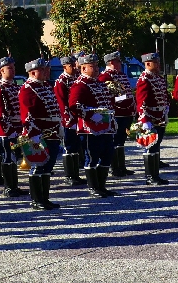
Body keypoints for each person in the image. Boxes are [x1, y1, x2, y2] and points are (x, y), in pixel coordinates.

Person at [69, 53, 117, 197]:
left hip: (105, 126)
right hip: (90, 128)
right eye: (92, 66)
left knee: (107, 155)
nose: (96, 69)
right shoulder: (80, 85)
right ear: (83, 68)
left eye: (96, 66)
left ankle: (101, 186)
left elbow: (108, 102)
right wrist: (91, 115)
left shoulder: (99, 83)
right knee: (92, 157)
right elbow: (74, 105)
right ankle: (93, 187)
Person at [19, 58, 63, 210]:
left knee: (48, 166)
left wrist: (59, 125)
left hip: (52, 132)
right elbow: (27, 115)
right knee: (38, 166)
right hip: (39, 134)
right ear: (32, 72)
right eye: (42, 70)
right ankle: (37, 200)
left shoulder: (45, 86)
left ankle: (45, 198)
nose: (46, 72)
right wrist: (34, 134)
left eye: (47, 69)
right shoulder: (27, 89)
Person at [98, 51, 136, 177]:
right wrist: (123, 98)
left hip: (126, 113)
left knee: (121, 141)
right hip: (117, 113)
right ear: (111, 62)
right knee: (116, 141)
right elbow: (108, 98)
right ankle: (115, 168)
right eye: (118, 61)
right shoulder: (105, 77)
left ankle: (122, 166)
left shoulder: (121, 75)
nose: (120, 63)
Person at [134, 52, 170, 186]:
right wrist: (144, 120)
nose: (158, 65)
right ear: (148, 64)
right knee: (150, 147)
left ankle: (156, 175)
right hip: (149, 118)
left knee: (156, 146)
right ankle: (150, 176)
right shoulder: (144, 79)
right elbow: (141, 102)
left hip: (159, 116)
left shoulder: (159, 78)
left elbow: (165, 95)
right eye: (156, 63)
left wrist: (166, 107)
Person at [0, 57, 24, 198]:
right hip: (7, 130)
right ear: (1, 71)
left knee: (15, 157)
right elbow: (0, 114)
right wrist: (9, 130)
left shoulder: (16, 87)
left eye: (13, 67)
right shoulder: (0, 89)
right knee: (8, 157)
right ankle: (9, 187)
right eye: (9, 68)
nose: (12, 70)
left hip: (18, 128)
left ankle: (14, 185)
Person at [54, 55, 86, 185]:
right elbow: (62, 104)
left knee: (77, 146)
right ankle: (69, 175)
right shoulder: (61, 82)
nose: (74, 67)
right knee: (69, 147)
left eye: (74, 65)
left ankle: (76, 174)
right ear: (64, 67)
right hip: (69, 120)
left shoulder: (76, 79)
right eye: (71, 66)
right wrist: (69, 120)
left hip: (78, 118)